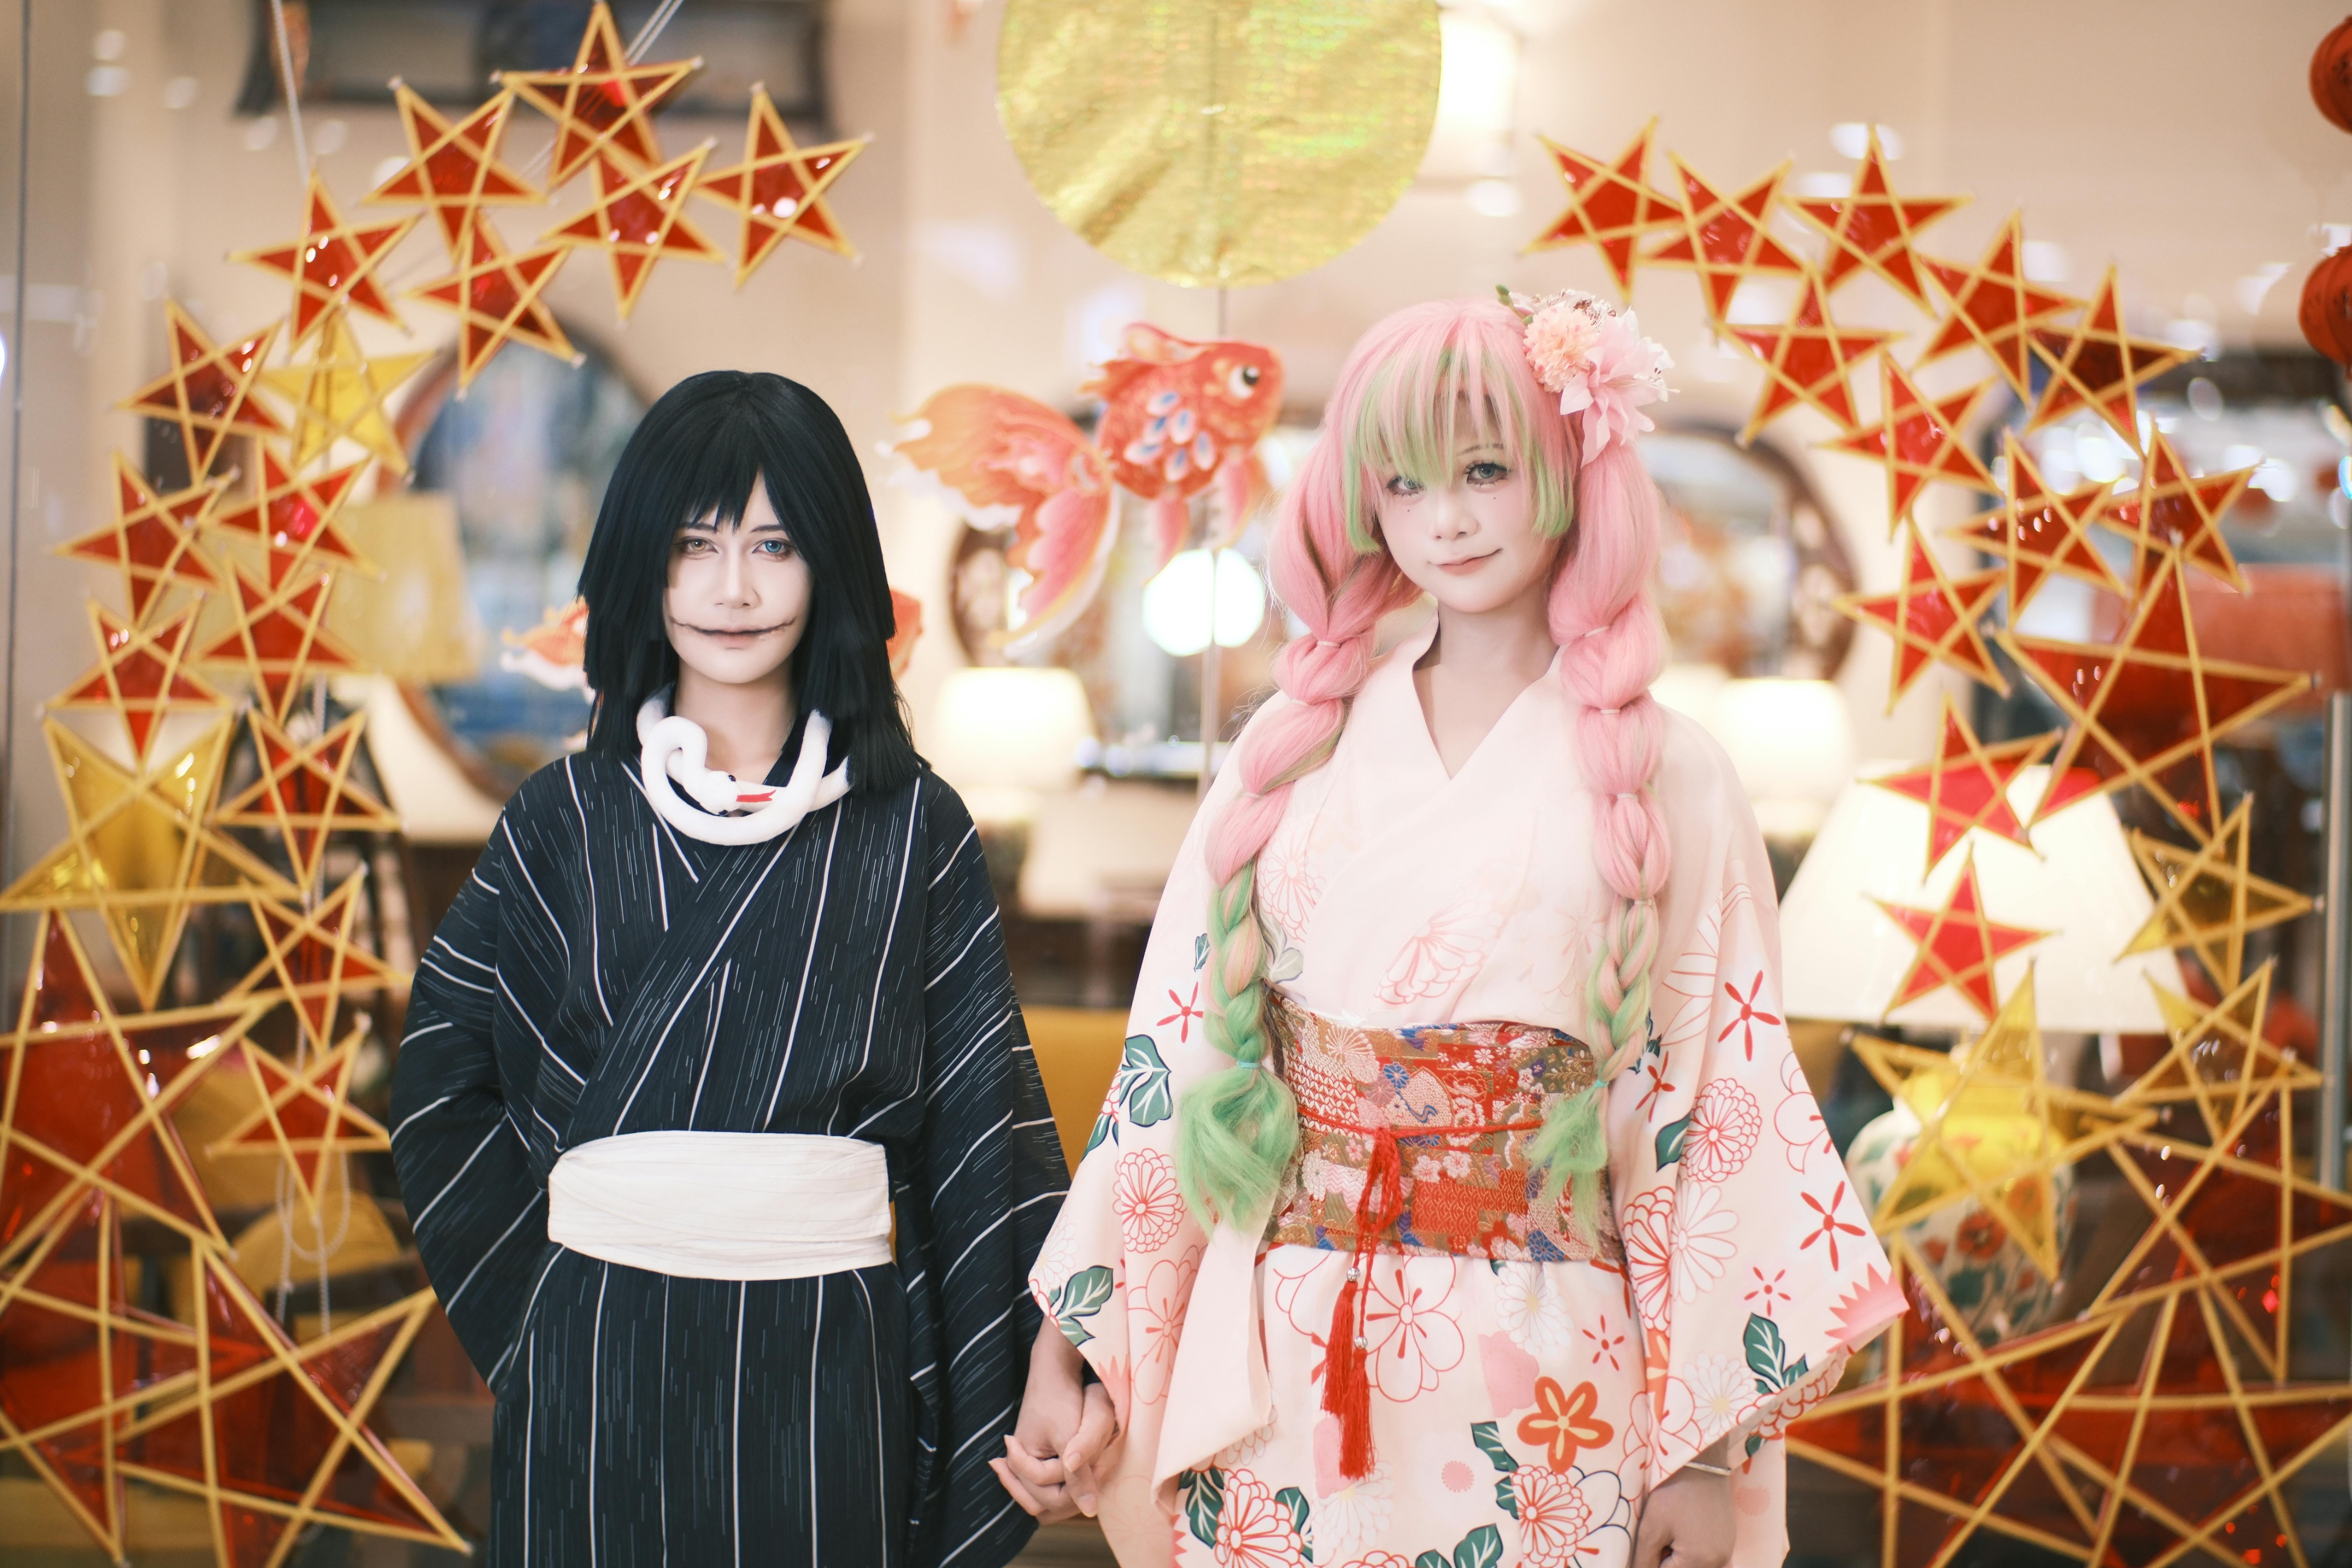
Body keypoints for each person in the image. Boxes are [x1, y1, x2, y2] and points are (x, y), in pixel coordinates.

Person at [1002, 297, 1900, 1567]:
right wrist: (1075, 1344)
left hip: (1547, 1371)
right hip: (1291, 1348)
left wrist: (1705, 1453)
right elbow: (1180, 1065)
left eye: (1485, 471)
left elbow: (1717, 1106)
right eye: (1406, 482)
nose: (1448, 519)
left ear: (1569, 470)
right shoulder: (1289, 752)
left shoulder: (1670, 774)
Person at [390, 371, 1067, 1567]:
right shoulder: (562, 819)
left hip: (828, 1360)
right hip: (595, 1346)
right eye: (694, 545)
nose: (733, 588)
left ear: (832, 566)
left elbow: (984, 1132)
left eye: (775, 545)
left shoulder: (914, 829)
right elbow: (441, 1089)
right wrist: (541, 1326)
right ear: (641, 564)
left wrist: (1053, 1367)